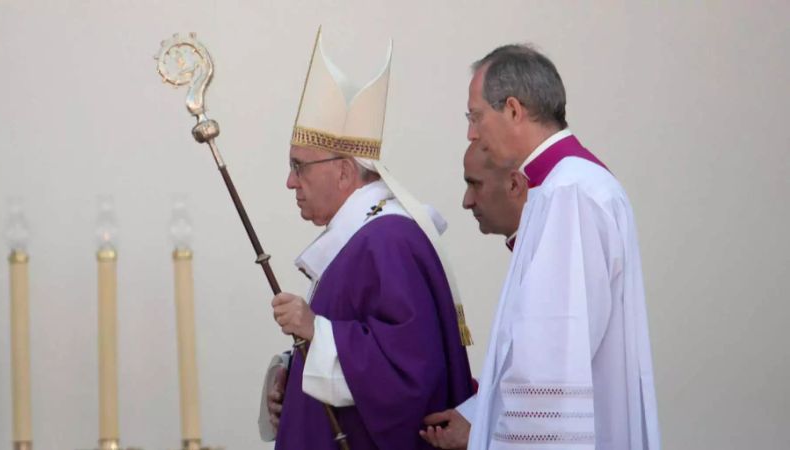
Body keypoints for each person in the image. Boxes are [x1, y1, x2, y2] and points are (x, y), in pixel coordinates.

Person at [263, 29, 474, 450]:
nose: (290, 182)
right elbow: (360, 338)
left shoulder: (387, 240)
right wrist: (293, 367)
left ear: (343, 171)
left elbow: (408, 373)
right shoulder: (363, 239)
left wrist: (314, 331)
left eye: (299, 166)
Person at [461, 44, 660, 450]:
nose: (472, 133)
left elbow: (549, 362)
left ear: (513, 110)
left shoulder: (568, 193)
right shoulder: (563, 186)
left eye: (476, 116)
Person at [419, 142, 529, 450]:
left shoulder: (550, 260)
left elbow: (547, 384)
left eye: (475, 185)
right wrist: (471, 415)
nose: (466, 202)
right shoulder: (529, 249)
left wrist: (479, 436)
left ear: (514, 184)